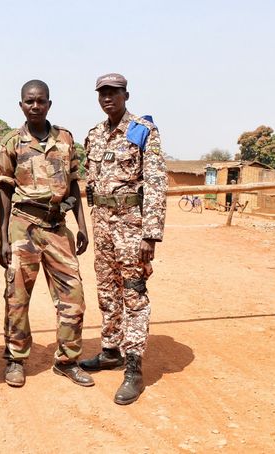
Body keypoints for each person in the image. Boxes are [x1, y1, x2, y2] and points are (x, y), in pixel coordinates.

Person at [0, 80, 93, 388]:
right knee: (17, 298)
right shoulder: (11, 142)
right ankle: (15, 359)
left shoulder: (65, 138)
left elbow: (74, 183)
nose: (35, 106)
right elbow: (3, 191)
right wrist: (3, 239)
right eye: (29, 101)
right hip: (23, 226)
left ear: (49, 104)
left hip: (57, 227)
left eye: (40, 101)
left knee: (73, 297)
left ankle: (67, 360)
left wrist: (81, 225)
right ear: (21, 105)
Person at [79, 73, 168, 405]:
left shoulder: (143, 130)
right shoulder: (94, 135)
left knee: (134, 294)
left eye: (114, 93)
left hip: (132, 228)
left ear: (126, 95)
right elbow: (90, 182)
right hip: (102, 226)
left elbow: (157, 182)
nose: (107, 98)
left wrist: (151, 234)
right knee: (106, 290)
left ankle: (134, 367)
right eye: (102, 93)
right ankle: (110, 351)